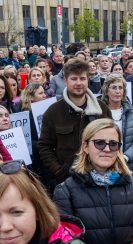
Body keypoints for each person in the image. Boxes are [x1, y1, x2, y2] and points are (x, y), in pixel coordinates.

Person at [38, 58, 111, 187]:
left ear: (88, 80)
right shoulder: (53, 112)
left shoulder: (102, 109)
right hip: (67, 182)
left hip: (100, 178)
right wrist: (59, 171)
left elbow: (112, 141)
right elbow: (44, 146)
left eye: (82, 79)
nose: (79, 83)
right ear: (65, 81)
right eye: (74, 79)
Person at [99, 74, 133, 169]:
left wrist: (126, 157)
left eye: (120, 88)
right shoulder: (98, 111)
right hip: (102, 163)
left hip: (128, 164)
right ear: (106, 90)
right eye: (114, 88)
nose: (118, 91)